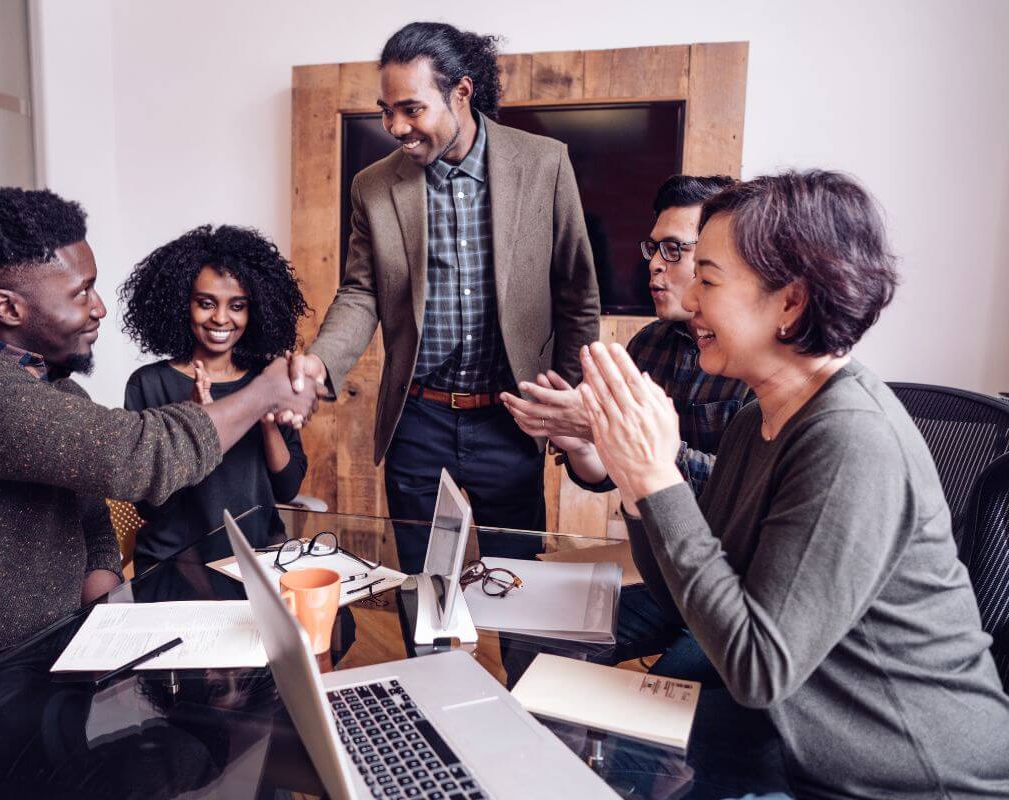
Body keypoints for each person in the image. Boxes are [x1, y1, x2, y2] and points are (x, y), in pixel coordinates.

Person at [579, 170, 1009, 798]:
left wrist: (657, 475)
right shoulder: (760, 418)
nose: (690, 300)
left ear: (791, 301)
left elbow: (757, 669)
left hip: (912, 777)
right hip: (802, 740)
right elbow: (693, 600)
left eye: (709, 278)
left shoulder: (850, 439)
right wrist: (635, 481)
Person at [0, 187, 317, 740]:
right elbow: (136, 458)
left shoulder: (57, 394)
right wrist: (264, 394)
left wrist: (111, 615)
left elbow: (92, 524)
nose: (99, 307)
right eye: (81, 291)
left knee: (215, 739)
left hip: (32, 670)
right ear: (8, 307)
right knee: (183, 756)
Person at [290, 22, 600, 572]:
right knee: (423, 590)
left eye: (411, 109)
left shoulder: (545, 163)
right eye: (386, 110)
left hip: (511, 417)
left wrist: (566, 408)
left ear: (461, 92)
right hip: (418, 422)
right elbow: (362, 291)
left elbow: (577, 293)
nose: (395, 127)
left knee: (519, 589)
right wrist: (320, 362)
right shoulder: (373, 186)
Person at [502, 174, 750, 497]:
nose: (655, 264)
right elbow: (608, 475)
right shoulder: (647, 346)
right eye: (654, 248)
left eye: (674, 249)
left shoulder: (755, 359)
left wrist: (620, 433)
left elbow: (749, 492)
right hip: (650, 545)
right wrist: (583, 445)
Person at [119, 224, 309, 571]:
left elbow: (287, 488)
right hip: (174, 567)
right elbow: (151, 508)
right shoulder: (149, 384)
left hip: (256, 562)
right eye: (206, 303)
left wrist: (262, 413)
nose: (221, 318)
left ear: (254, 311)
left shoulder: (267, 380)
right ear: (182, 304)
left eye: (237, 305)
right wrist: (192, 420)